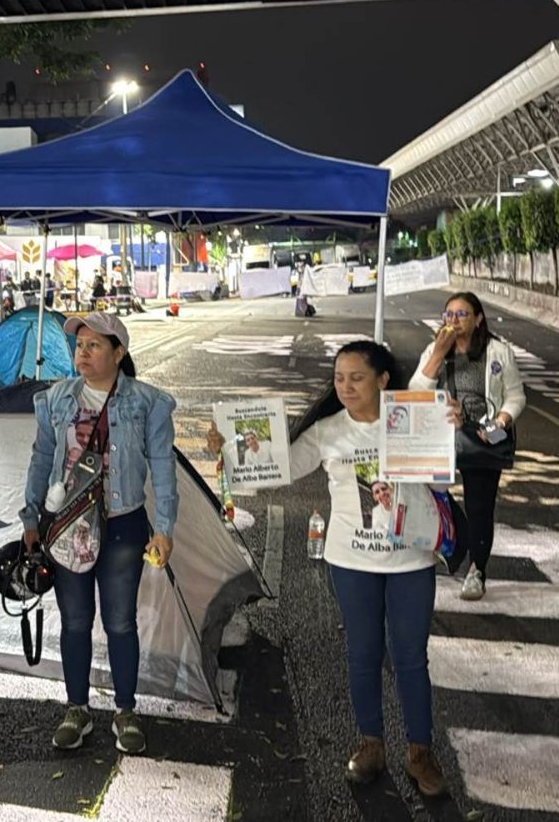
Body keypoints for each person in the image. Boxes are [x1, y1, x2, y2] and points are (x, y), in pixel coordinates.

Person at [211, 341, 458, 798]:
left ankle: (420, 752)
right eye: (339, 378)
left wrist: (447, 428)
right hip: (350, 561)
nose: (344, 386)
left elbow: (440, 466)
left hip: (409, 560)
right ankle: (370, 744)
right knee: (361, 655)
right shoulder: (327, 432)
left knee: (410, 658)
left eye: (356, 377)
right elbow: (275, 468)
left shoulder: (409, 420)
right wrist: (227, 449)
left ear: (383, 380)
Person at [20, 311, 178, 755]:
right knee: (74, 621)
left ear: (118, 353)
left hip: (124, 525)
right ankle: (77, 708)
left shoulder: (149, 403)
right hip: (67, 525)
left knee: (121, 622)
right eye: (79, 345)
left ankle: (125, 711)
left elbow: (164, 471)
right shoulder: (56, 399)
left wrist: (163, 529)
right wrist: (31, 518)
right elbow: (41, 459)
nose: (82, 353)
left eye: (93, 345)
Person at [408, 292, 525, 601]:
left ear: (478, 319)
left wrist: (500, 421)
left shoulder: (498, 352)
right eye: (449, 315)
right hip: (439, 437)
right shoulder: (435, 351)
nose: (454, 320)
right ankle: (452, 547)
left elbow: (515, 396)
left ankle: (477, 570)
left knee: (480, 506)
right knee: (433, 497)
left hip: (483, 436)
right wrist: (438, 353)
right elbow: (415, 391)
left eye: (462, 314)